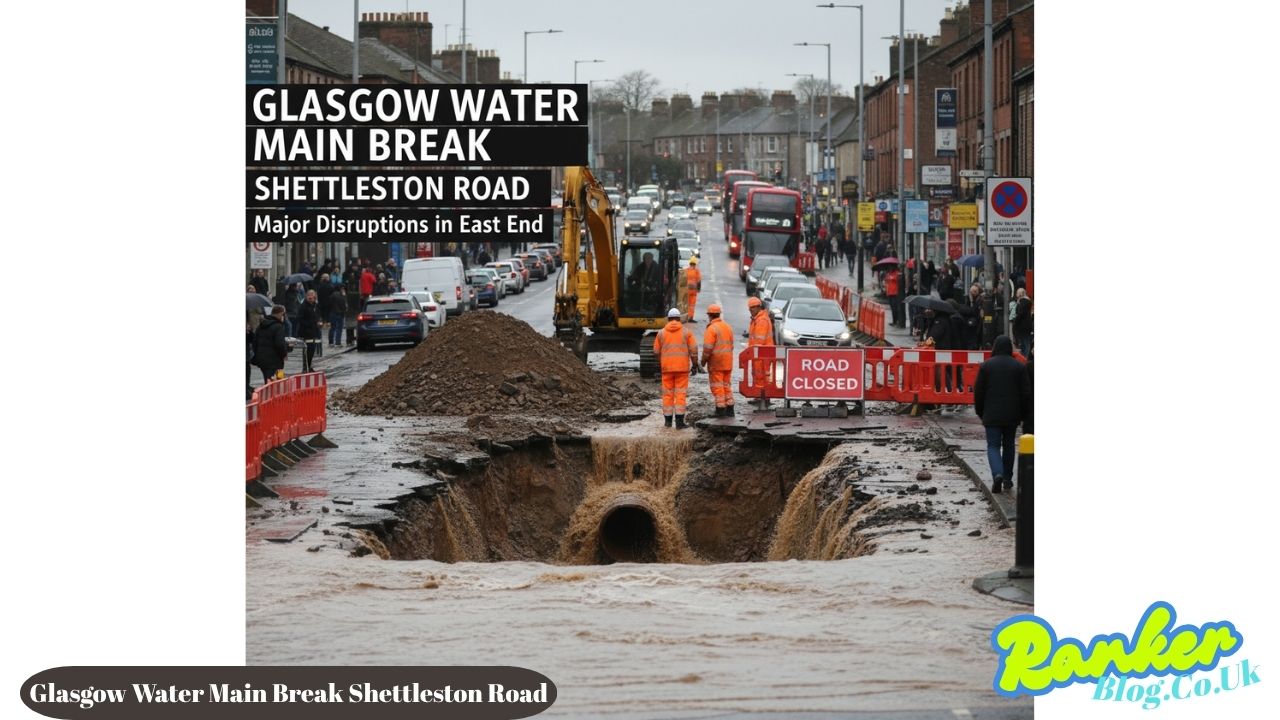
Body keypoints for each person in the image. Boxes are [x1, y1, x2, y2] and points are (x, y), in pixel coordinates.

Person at [973, 335, 1032, 494]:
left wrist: (980, 411)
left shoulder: (986, 366)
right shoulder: (1019, 367)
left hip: (991, 414)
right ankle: (1007, 478)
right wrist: (1023, 414)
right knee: (1009, 445)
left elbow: (979, 392)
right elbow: (1026, 393)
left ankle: (997, 474)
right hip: (1012, 414)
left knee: (993, 446)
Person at [654, 308, 698, 429]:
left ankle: (667, 423)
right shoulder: (686, 332)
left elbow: (656, 352)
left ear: (668, 319)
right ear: (679, 319)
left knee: (667, 395)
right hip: (682, 369)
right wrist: (695, 365)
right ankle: (679, 423)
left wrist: (661, 364)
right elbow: (694, 351)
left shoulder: (661, 333)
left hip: (667, 369)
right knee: (680, 395)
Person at [700, 304, 735, 417]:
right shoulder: (727, 327)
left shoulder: (711, 329)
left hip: (716, 363)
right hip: (728, 362)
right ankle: (730, 408)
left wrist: (703, 362)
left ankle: (720, 409)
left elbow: (707, 349)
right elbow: (731, 346)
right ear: (718, 314)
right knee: (726, 385)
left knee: (717, 386)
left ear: (710, 316)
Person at [746, 296, 774, 409]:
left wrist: (752, 352)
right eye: (750, 308)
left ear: (758, 307)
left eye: (753, 308)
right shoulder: (757, 318)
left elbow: (759, 340)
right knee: (758, 376)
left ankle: (764, 397)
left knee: (763, 376)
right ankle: (760, 396)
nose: (751, 310)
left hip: (762, 353)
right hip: (759, 353)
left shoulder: (761, 320)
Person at [253, 305, 290, 383]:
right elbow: (279, 344)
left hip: (262, 359)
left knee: (267, 380)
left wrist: (257, 355)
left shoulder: (261, 325)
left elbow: (255, 342)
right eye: (283, 315)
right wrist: (284, 354)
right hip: (275, 360)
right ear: (280, 314)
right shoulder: (279, 326)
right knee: (275, 382)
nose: (284, 317)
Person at [298, 290, 323, 372]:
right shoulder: (303, 306)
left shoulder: (316, 305)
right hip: (306, 331)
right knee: (307, 350)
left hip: (314, 330)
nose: (310, 297)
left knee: (312, 349)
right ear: (306, 296)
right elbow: (300, 319)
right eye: (309, 295)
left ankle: (309, 365)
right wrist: (310, 324)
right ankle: (305, 367)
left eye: (312, 295)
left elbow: (318, 315)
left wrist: (319, 322)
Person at [1012, 288, 1033, 358]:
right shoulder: (1024, 302)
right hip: (1025, 326)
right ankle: (1025, 357)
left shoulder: (1023, 302)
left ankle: (1025, 358)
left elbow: (1020, 314)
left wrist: (1015, 322)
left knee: (1025, 343)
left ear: (1021, 294)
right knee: (1025, 343)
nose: (1016, 294)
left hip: (1023, 326)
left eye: (1017, 293)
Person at [327, 283, 348, 347]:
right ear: (341, 289)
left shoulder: (332, 295)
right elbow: (344, 305)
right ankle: (338, 343)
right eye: (343, 289)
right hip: (340, 313)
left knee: (332, 328)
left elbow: (329, 304)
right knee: (339, 328)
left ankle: (331, 342)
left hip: (332, 313)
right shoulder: (342, 295)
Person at [684, 256, 702, 323]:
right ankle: (690, 318)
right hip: (693, 291)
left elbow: (683, 280)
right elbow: (699, 280)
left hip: (687, 291)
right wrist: (699, 289)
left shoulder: (686, 270)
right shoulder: (696, 271)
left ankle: (685, 317)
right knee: (692, 305)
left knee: (686, 304)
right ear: (695, 264)